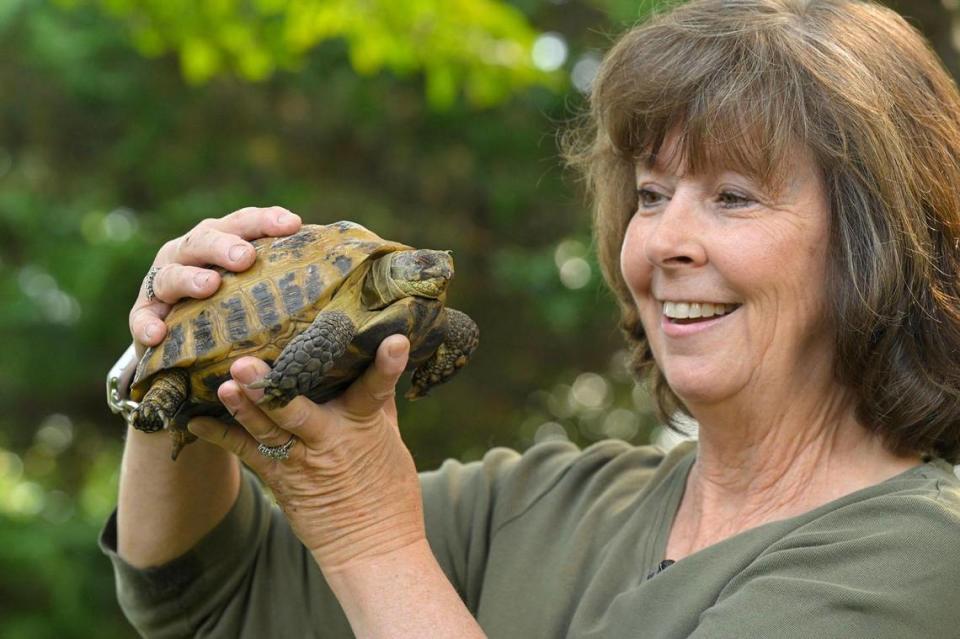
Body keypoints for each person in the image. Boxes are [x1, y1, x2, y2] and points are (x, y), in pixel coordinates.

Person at [101, 1, 960, 637]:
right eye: (652, 194)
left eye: (733, 197)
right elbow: (207, 594)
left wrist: (369, 539)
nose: (665, 239)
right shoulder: (545, 503)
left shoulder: (919, 558)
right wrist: (173, 346)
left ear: (875, 244)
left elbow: (359, 540)